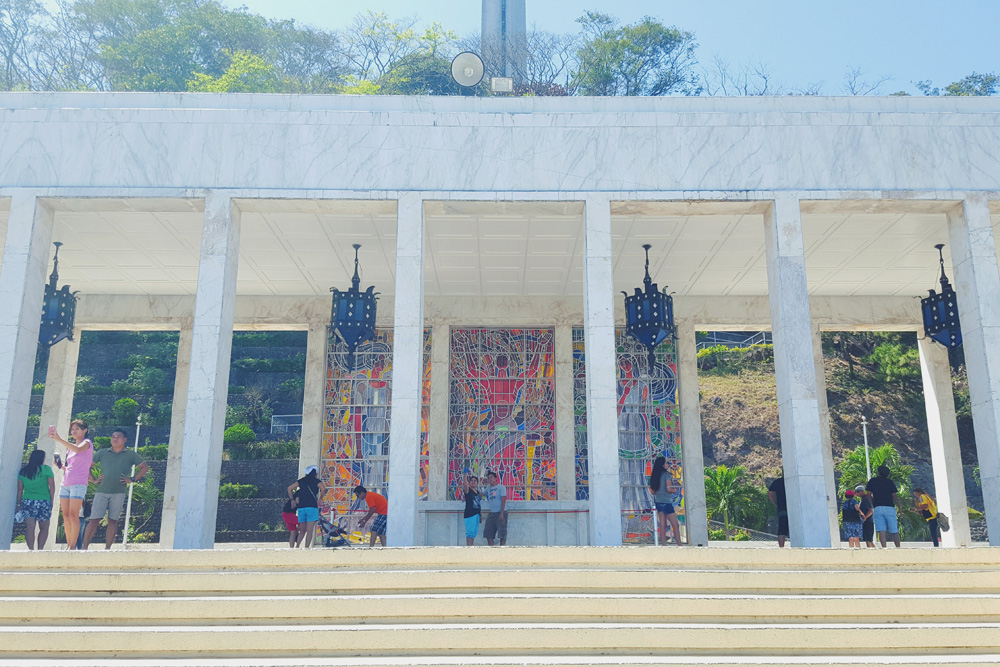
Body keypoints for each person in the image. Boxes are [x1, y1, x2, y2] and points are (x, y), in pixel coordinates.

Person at [82, 428, 148, 550]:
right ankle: (84, 548)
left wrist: (132, 479)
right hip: (101, 491)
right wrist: (94, 480)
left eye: (118, 436)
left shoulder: (130, 454)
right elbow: (87, 466)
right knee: (94, 519)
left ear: (124, 440)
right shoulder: (102, 452)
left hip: (119, 492)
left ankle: (108, 549)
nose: (115, 439)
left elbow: (144, 467)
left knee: (113, 520)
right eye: (113, 436)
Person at [49, 420, 94, 550]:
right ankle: (69, 545)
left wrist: (59, 439)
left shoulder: (87, 443)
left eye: (77, 429)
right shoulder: (70, 449)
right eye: (72, 429)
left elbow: (78, 449)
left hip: (79, 483)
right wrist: (61, 466)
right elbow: (72, 467)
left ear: (84, 430)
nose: (74, 431)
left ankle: (73, 546)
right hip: (66, 482)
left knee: (74, 514)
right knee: (66, 515)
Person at [16, 449, 55, 550]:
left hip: (28, 501)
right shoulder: (46, 469)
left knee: (30, 528)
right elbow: (52, 487)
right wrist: (51, 501)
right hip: (44, 501)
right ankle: (40, 549)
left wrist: (19, 504)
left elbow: (20, 489)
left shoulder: (23, 471)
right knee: (44, 528)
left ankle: (31, 550)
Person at [648, 455, 683, 546]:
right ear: (663, 465)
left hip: (658, 501)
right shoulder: (667, 475)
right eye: (666, 463)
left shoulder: (655, 475)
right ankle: (679, 544)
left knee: (662, 525)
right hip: (667, 502)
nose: (668, 464)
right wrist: (674, 490)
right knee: (675, 524)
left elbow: (652, 491)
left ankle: (663, 545)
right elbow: (669, 489)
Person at [866, 465, 902, 548]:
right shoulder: (890, 482)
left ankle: (884, 548)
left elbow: (869, 494)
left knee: (881, 530)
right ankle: (898, 548)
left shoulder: (872, 481)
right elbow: (894, 496)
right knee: (894, 530)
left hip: (878, 507)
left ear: (878, 472)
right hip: (890, 507)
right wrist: (899, 507)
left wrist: (872, 504)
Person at [288, 466, 323, 548]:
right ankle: (307, 547)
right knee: (310, 530)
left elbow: (289, 488)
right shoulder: (317, 481)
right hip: (312, 507)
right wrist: (321, 498)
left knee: (303, 529)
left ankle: (297, 546)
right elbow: (323, 488)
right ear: (315, 473)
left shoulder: (301, 481)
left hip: (301, 508)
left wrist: (292, 500)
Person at [482, 471, 508, 546]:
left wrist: (501, 513)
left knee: (502, 533)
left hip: (500, 512)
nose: (490, 479)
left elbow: (503, 499)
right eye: (488, 478)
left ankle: (502, 548)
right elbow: (482, 494)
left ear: (495, 478)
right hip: (492, 512)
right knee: (488, 532)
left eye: (491, 477)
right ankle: (491, 548)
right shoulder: (488, 488)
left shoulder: (501, 487)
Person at [767, 475, 788, 547]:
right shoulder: (792, 480)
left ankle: (781, 547)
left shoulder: (777, 482)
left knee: (782, 528)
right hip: (794, 507)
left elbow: (770, 494)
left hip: (782, 507)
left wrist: (776, 504)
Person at [462, 473, 482, 546]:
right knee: (470, 533)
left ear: (477, 483)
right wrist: (465, 476)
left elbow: (478, 504)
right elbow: (465, 486)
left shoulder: (478, 493)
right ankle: (469, 548)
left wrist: (480, 515)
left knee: (473, 533)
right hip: (470, 514)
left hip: (476, 514)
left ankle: (471, 546)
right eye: (471, 480)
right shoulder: (468, 490)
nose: (473, 482)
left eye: (475, 481)